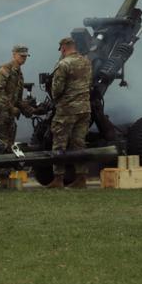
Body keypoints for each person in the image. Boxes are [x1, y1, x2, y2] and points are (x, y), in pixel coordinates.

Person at [49, 37, 93, 189]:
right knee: (79, 144)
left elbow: (56, 90)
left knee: (59, 144)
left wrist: (55, 99)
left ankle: (58, 179)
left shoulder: (63, 64)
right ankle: (81, 178)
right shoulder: (86, 61)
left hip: (67, 110)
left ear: (63, 48)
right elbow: (89, 82)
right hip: (85, 109)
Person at [0, 44, 36, 149]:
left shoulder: (19, 74)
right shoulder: (5, 69)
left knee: (9, 146)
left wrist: (28, 109)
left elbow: (16, 98)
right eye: (21, 56)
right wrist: (11, 108)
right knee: (1, 147)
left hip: (9, 115)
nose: (24, 58)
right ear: (14, 55)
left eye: (26, 56)